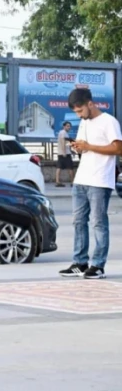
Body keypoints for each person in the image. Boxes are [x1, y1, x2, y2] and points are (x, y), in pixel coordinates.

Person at [59, 88, 122, 279]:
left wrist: (88, 146)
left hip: (100, 179)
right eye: (76, 112)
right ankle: (80, 262)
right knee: (78, 221)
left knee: (98, 223)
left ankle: (98, 265)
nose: (79, 115)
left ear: (90, 104)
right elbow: (85, 147)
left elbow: (118, 148)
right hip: (81, 178)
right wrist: (79, 147)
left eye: (80, 111)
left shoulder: (109, 121)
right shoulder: (84, 123)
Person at [56, 121, 74, 187]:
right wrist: (64, 152)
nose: (69, 127)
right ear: (64, 126)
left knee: (59, 167)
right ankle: (72, 182)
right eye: (67, 126)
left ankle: (58, 181)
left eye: (69, 126)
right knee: (70, 168)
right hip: (65, 153)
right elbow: (63, 142)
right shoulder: (63, 133)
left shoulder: (63, 133)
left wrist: (71, 151)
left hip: (62, 152)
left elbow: (66, 143)